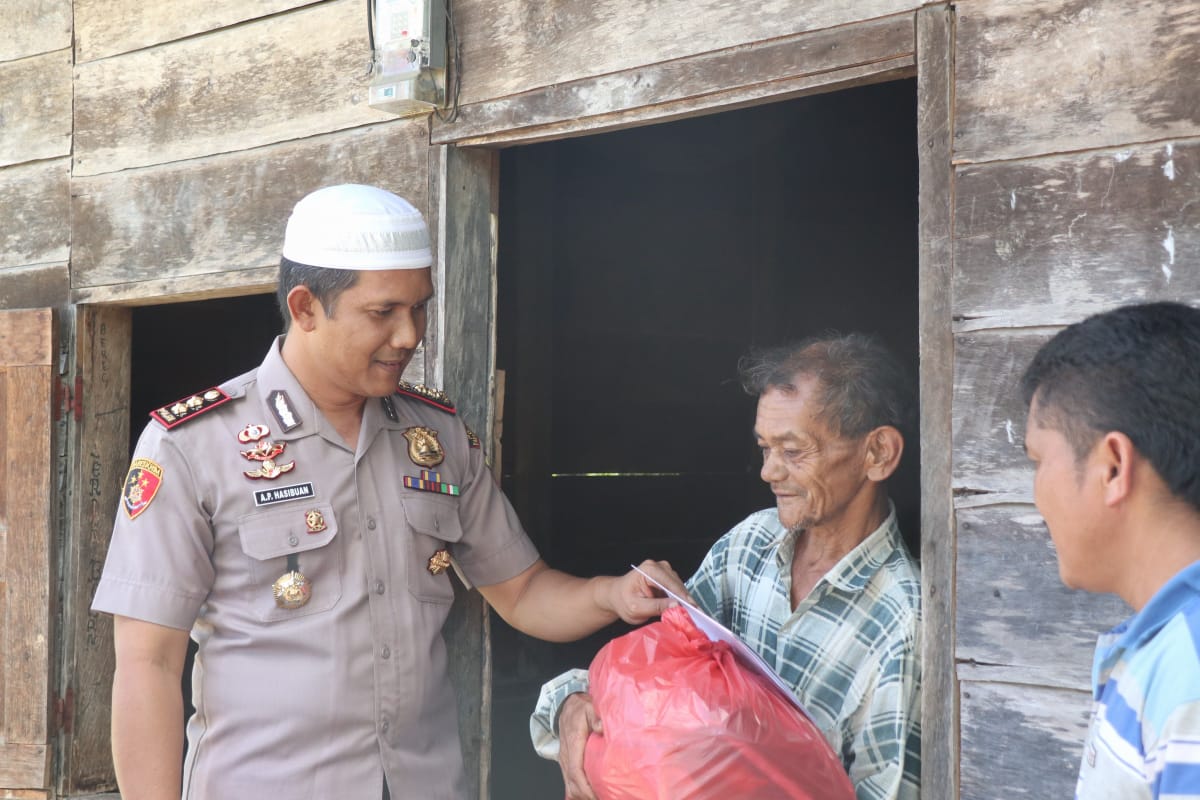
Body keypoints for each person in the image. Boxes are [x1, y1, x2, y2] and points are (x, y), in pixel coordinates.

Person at [91, 184, 680, 800]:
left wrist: (616, 594)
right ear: (305, 307)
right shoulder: (193, 446)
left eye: (420, 308)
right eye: (384, 312)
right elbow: (147, 664)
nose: (409, 335)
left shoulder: (438, 435)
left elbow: (524, 591)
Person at [531, 334, 923, 800]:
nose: (769, 472)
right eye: (765, 448)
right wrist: (573, 703)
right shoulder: (749, 545)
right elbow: (657, 680)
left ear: (877, 453)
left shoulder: (904, 620)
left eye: (794, 451)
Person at [1020, 301, 1200, 800]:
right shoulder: (1168, 646)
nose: (1036, 495)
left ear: (1113, 466)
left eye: (1038, 460)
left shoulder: (1190, 671)